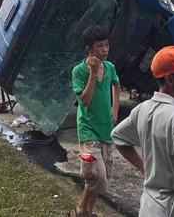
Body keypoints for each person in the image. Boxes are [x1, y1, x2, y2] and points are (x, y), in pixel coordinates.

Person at [111, 46, 174, 217]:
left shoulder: (142, 109)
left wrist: (145, 170)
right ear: (170, 80)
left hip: (150, 205)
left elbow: (118, 137)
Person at [72, 26, 120, 217]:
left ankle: (86, 211)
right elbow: (85, 100)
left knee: (104, 175)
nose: (105, 50)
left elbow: (116, 84)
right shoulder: (79, 71)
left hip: (106, 129)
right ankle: (82, 209)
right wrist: (92, 73)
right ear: (89, 48)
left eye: (107, 45)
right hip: (88, 129)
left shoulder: (110, 67)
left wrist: (115, 107)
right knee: (96, 175)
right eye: (100, 46)